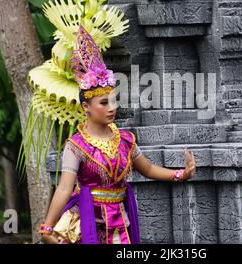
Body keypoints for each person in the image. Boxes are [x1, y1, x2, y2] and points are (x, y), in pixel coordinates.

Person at [39, 25, 196, 244]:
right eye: (104, 102)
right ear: (86, 107)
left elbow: (148, 169)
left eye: (113, 100)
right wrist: (47, 227)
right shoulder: (76, 146)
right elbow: (65, 187)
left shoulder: (125, 140)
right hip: (87, 224)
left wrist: (180, 174)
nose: (112, 107)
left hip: (119, 224)